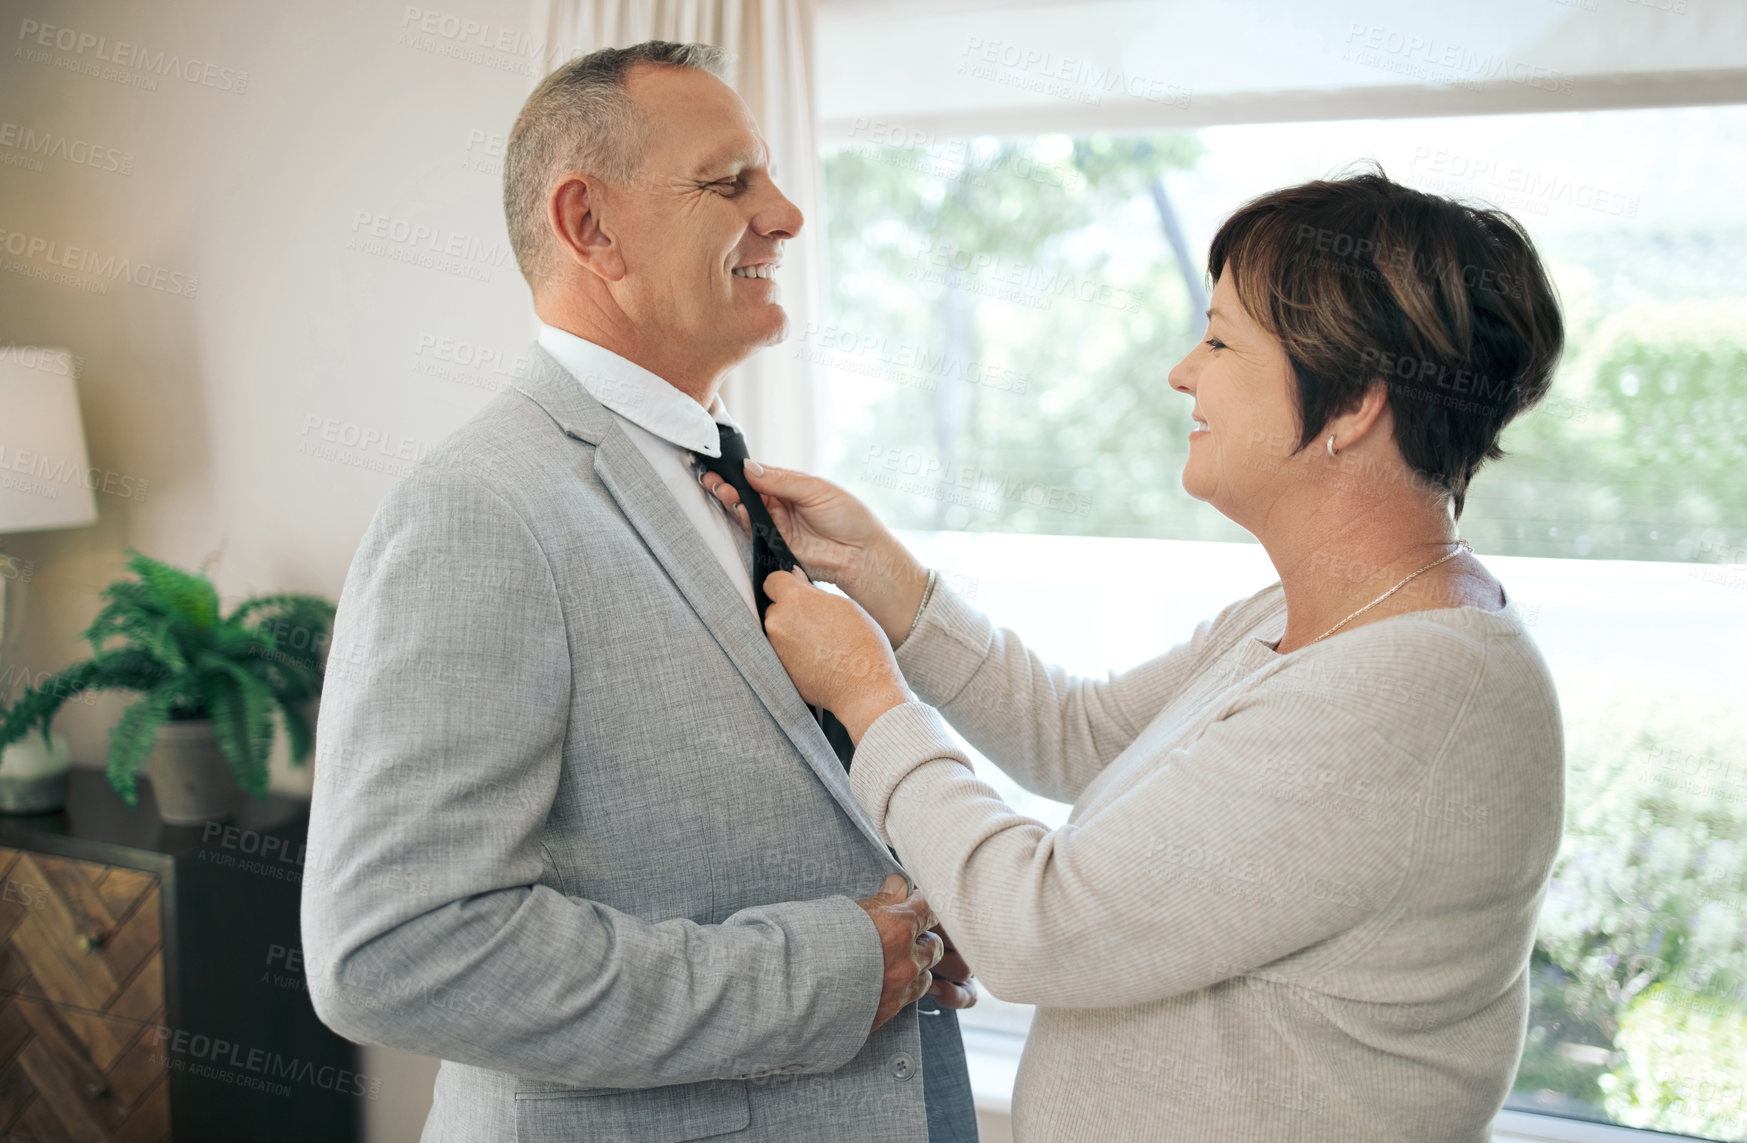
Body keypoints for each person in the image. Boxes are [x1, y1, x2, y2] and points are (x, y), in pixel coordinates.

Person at [704, 171, 1568, 1141]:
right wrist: (887, 583)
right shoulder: (1313, 617)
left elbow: (1035, 928)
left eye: (1221, 338)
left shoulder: (1408, 692)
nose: (1182, 372)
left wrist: (869, 698)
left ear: (1357, 400)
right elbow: (1078, 738)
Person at [301, 42, 978, 1143]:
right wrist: (843, 965)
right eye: (732, 183)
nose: (790, 214)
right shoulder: (478, 513)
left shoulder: (737, 489)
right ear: (590, 226)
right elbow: (397, 953)